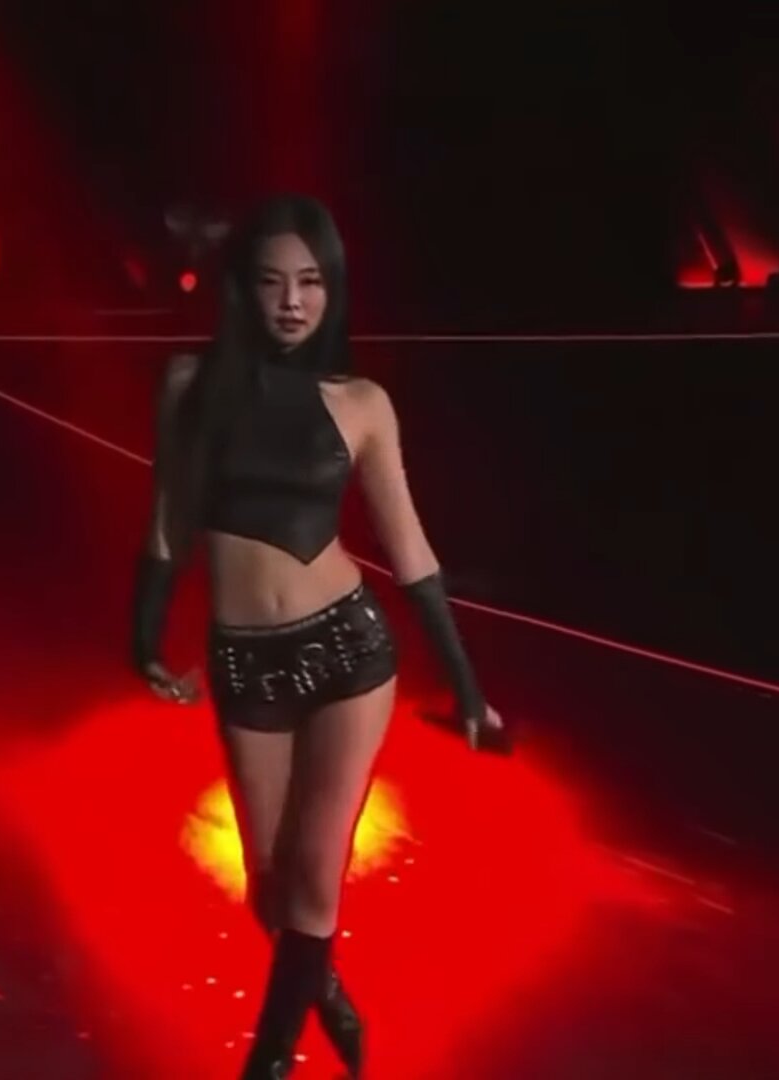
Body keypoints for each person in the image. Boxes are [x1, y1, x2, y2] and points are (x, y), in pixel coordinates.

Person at [130, 194, 504, 1079]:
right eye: (272, 282)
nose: (293, 301)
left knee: (312, 877)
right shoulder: (189, 385)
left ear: (333, 288)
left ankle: (268, 1060)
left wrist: (468, 689)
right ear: (242, 290)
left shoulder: (362, 403)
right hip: (242, 660)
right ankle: (324, 990)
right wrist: (141, 640)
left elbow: (412, 554)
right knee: (269, 887)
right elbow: (168, 522)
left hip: (347, 652)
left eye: (311, 282)